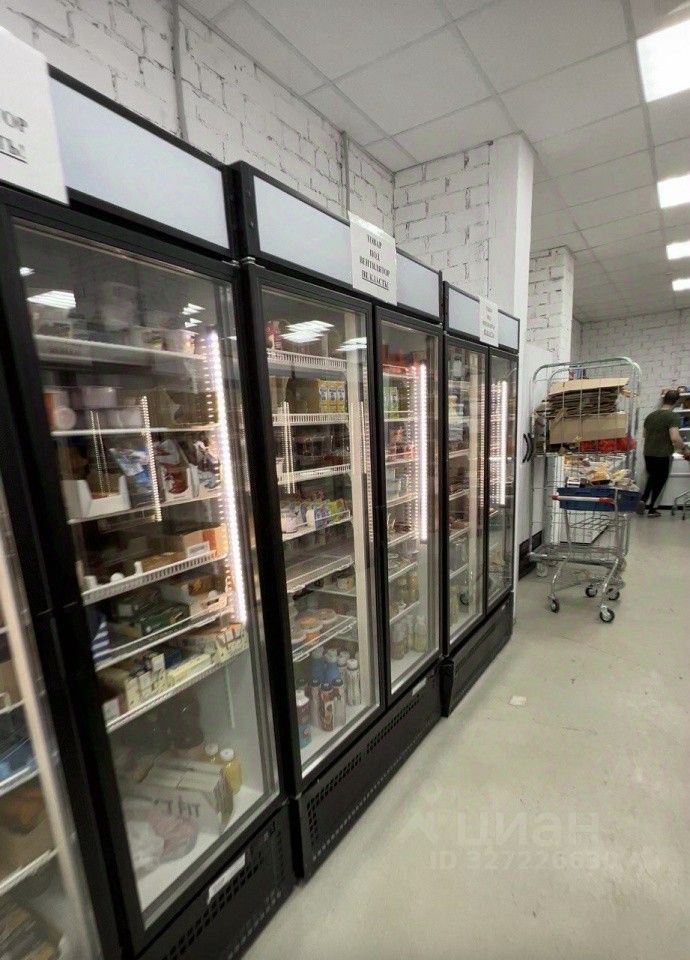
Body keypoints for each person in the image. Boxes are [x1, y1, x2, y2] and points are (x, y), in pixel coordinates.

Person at [637, 389, 689, 516]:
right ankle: (652, 509)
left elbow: (644, 435)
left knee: (651, 477)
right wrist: (684, 449)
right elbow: (675, 438)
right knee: (660, 481)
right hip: (663, 454)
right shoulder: (673, 417)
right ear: (676, 402)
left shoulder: (650, 416)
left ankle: (643, 500)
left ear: (663, 399)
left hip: (648, 453)